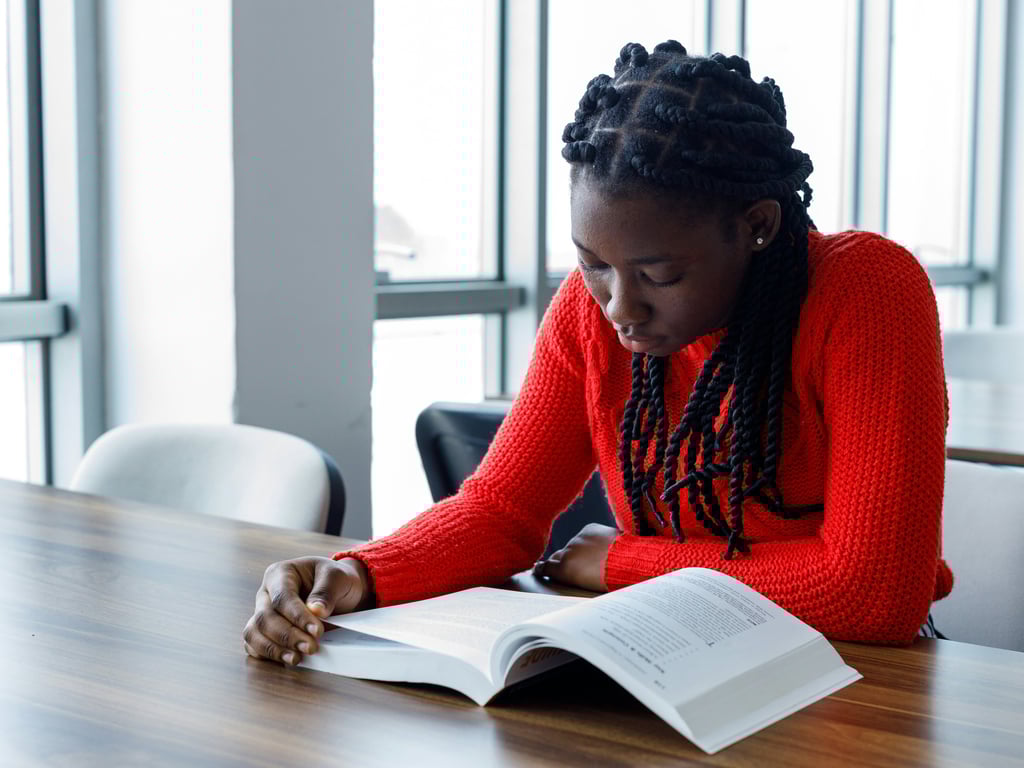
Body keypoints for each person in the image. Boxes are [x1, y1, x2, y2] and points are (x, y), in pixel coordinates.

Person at [242, 41, 952, 667]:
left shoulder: (865, 290)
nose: (618, 307)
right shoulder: (589, 313)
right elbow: (502, 509)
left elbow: (871, 594)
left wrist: (621, 562)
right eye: (593, 265)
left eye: (659, 275)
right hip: (675, 656)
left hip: (857, 677)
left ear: (757, 226)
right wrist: (359, 573)